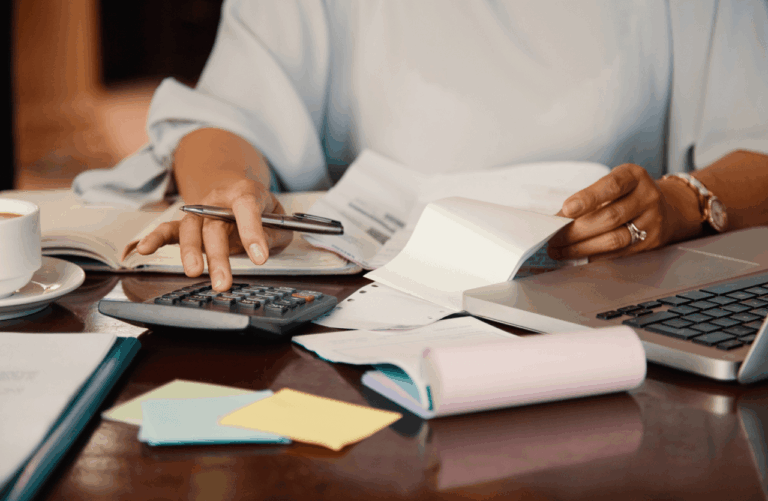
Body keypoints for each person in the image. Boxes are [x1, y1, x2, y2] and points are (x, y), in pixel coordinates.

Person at [74, 0, 768, 291]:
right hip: (372, 313)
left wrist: (680, 203)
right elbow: (226, 118)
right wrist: (227, 187)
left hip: (608, 310)